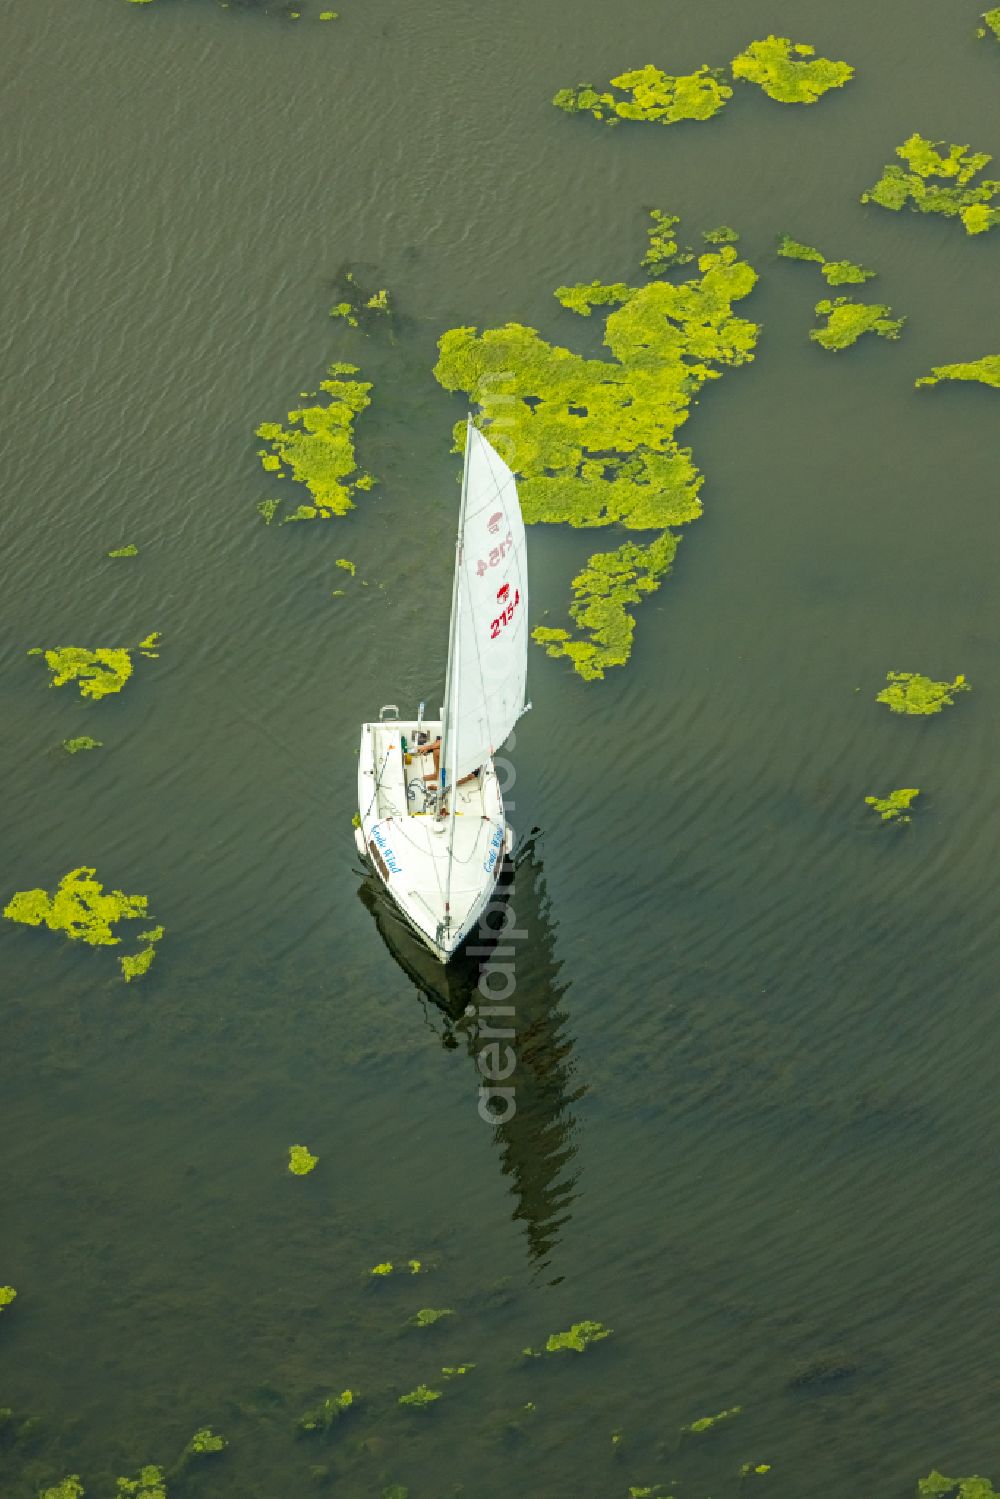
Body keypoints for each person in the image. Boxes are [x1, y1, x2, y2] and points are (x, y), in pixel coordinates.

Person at [413, 733, 479, 787]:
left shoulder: (474, 762)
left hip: (462, 767)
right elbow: (443, 742)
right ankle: (437, 775)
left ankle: (442, 786)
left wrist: (439, 788)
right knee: (436, 751)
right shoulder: (464, 739)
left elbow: (468, 776)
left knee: (456, 780)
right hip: (457, 759)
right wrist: (427, 747)